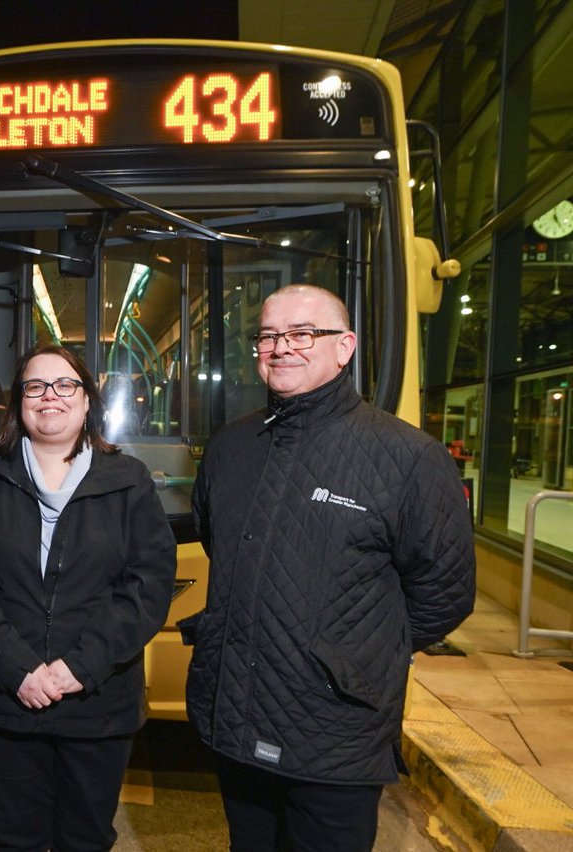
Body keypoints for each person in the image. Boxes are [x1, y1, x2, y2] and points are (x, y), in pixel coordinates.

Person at [180, 284, 476, 852]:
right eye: (268, 335)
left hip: (336, 734)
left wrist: (352, 651)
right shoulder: (231, 446)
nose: (280, 347)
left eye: (301, 334)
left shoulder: (409, 457)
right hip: (236, 717)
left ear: (345, 348)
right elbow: (226, 548)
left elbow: (444, 593)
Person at [0, 345, 177, 850]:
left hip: (98, 703)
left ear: (87, 399)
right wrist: (19, 670)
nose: (50, 396)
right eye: (35, 386)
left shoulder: (128, 481)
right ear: (18, 402)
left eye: (64, 385)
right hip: (7, 700)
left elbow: (148, 585)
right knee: (12, 838)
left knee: (86, 838)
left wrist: (80, 668)